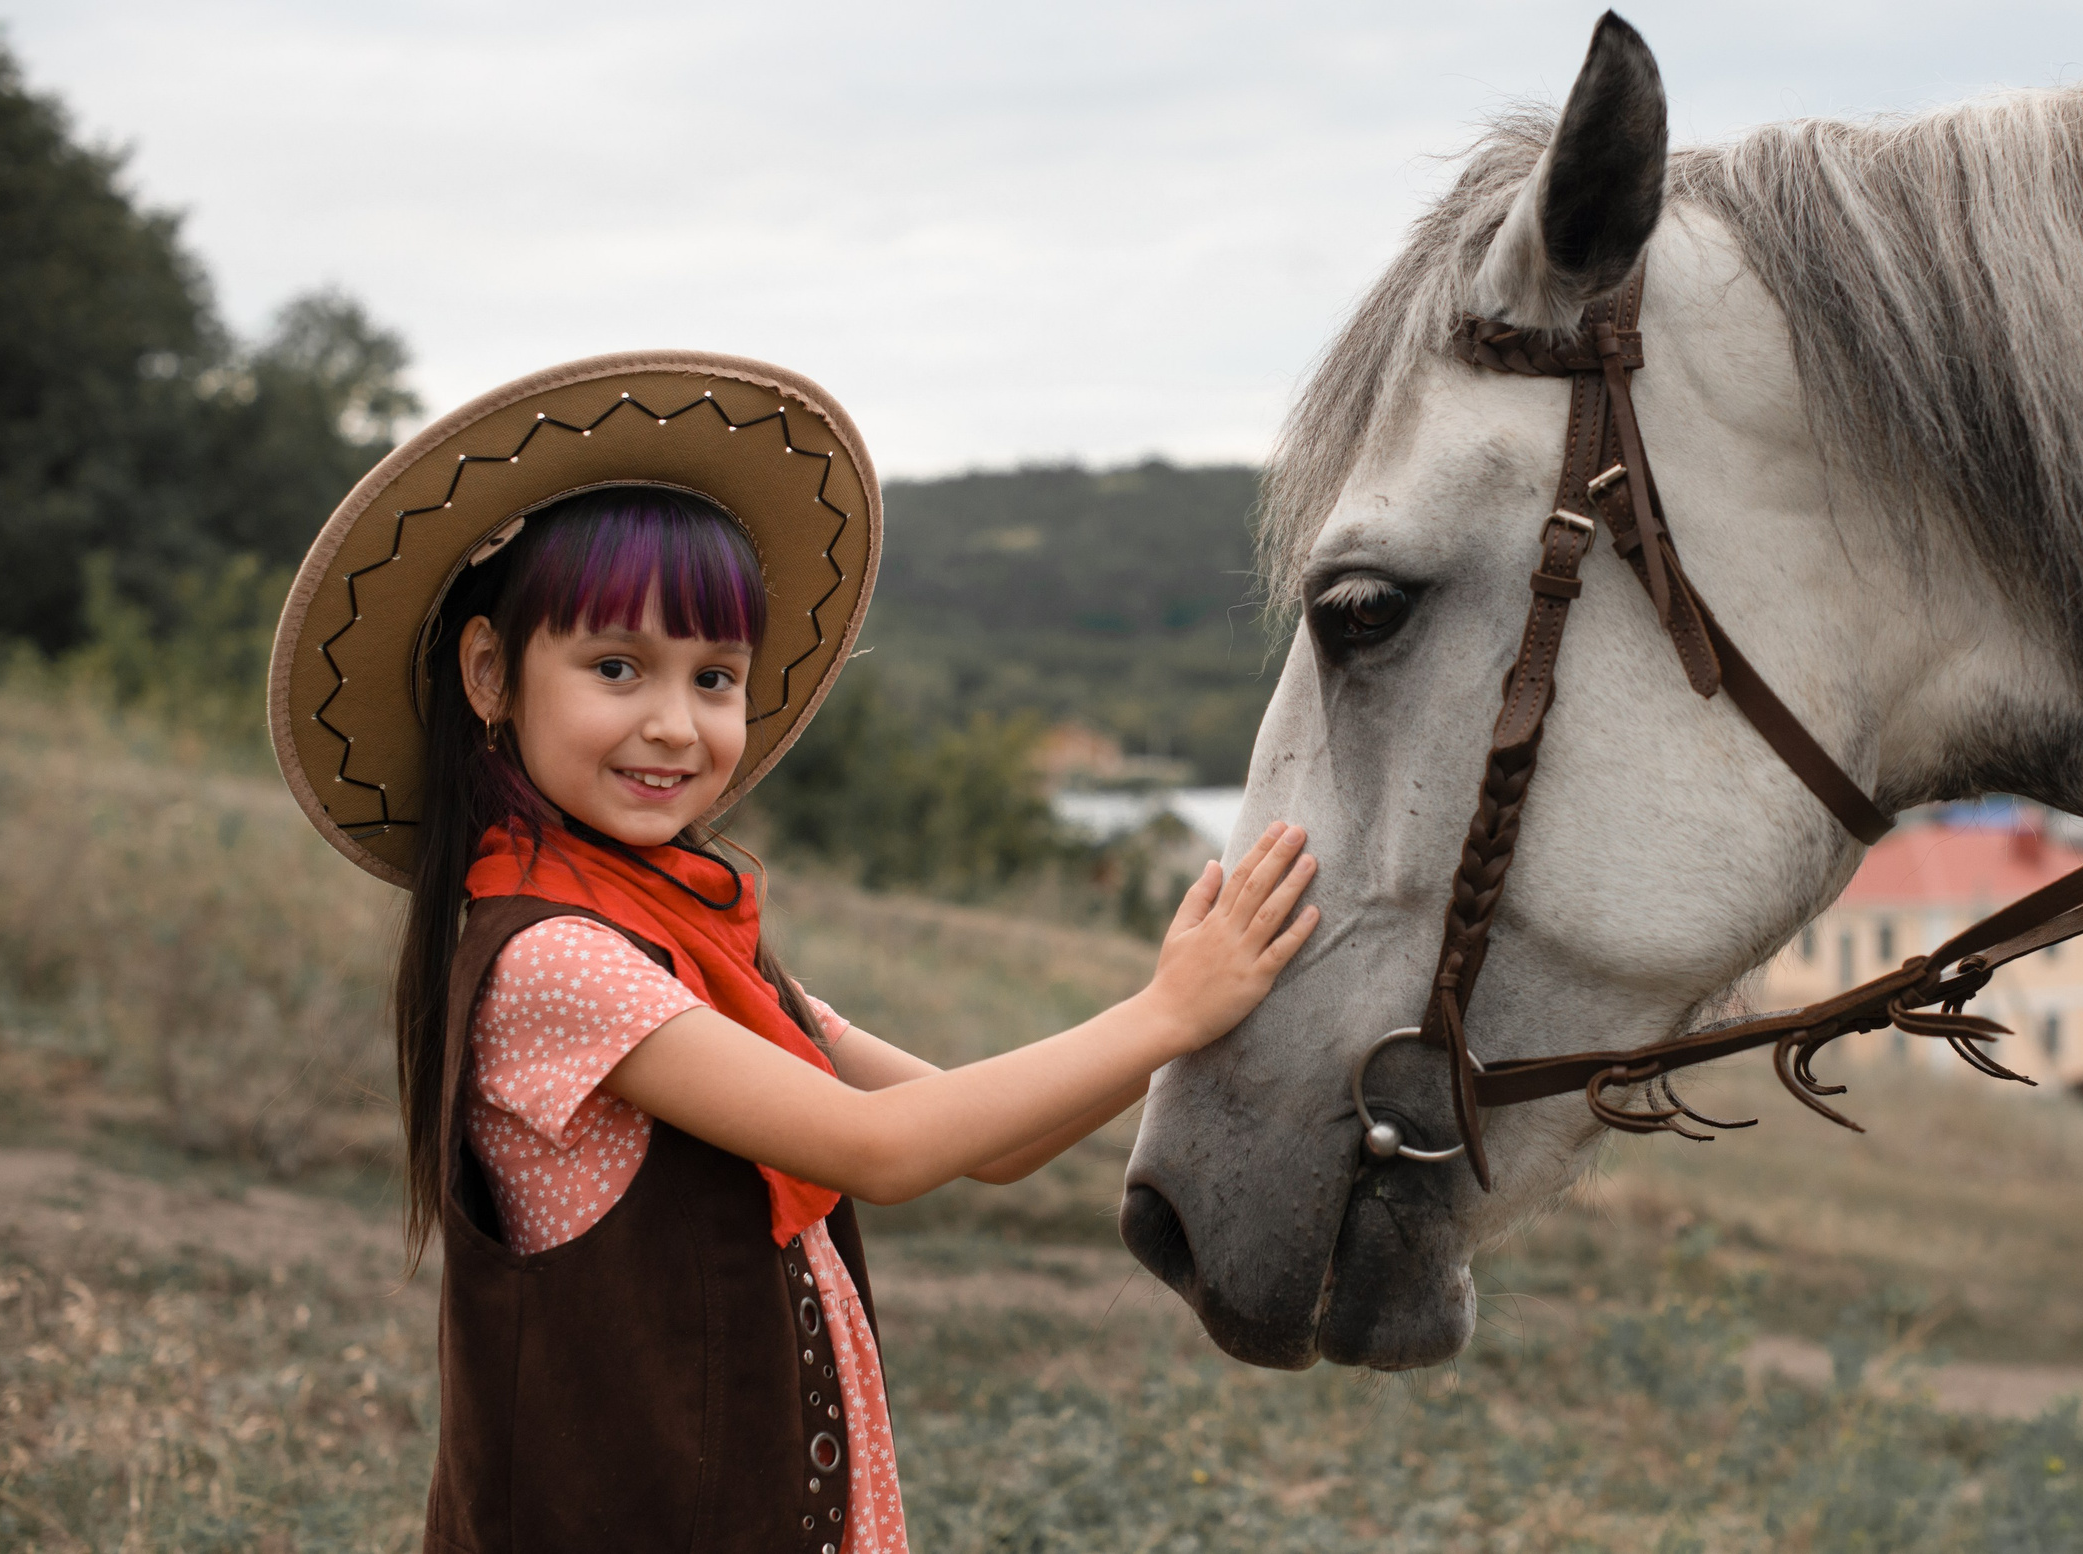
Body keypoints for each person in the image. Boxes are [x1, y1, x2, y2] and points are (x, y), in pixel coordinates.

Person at [266, 353, 1317, 1554]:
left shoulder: (690, 946)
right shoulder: (556, 962)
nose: (675, 722)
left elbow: (992, 1145)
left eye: (715, 678)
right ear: (492, 675)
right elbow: (881, 1150)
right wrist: (1168, 1015)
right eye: (616, 668)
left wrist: (1183, 1008)